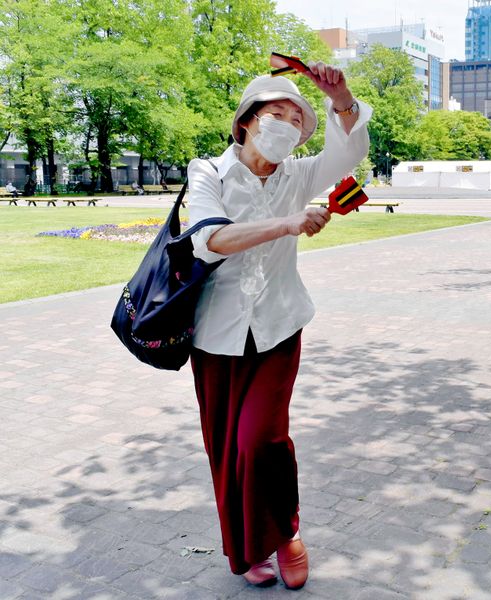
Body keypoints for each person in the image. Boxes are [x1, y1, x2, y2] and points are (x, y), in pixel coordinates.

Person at [186, 64, 370, 589]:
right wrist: (289, 223)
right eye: (276, 114)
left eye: (297, 119)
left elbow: (350, 151)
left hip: (279, 326)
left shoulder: (299, 174)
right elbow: (210, 239)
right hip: (215, 336)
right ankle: (247, 549)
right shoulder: (209, 172)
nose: (287, 125)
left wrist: (339, 96)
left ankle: (285, 533)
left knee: (261, 440)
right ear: (246, 122)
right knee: (225, 448)